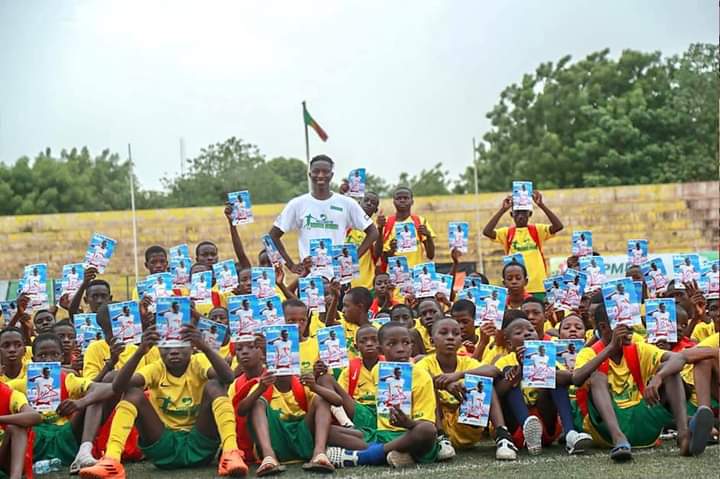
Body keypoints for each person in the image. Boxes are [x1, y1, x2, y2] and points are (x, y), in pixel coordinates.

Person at [80, 324, 248, 478]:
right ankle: (112, 460)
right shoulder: (157, 368)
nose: (173, 351)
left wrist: (205, 347)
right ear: (158, 349)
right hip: (163, 448)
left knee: (215, 385)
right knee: (133, 393)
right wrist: (139, 352)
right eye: (166, 346)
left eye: (181, 345)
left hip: (201, 444)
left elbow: (227, 377)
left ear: (192, 348)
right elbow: (118, 387)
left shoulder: (199, 361)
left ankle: (230, 452)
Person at [572, 305, 711, 460]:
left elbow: (679, 358)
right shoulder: (589, 352)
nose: (631, 328)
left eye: (630, 322)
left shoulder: (638, 348)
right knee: (597, 377)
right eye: (623, 324)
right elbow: (576, 379)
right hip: (606, 429)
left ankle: (684, 436)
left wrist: (659, 377)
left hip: (642, 421)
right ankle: (619, 438)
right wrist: (610, 349)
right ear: (604, 327)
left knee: (670, 371)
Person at [326, 322, 439, 468]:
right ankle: (396, 453)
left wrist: (408, 423)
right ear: (381, 349)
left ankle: (366, 456)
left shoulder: (422, 377)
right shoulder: (377, 371)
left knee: (427, 431)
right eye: (392, 344)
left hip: (409, 434)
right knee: (328, 431)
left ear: (412, 346)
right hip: (381, 434)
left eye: (406, 343)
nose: (400, 349)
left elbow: (427, 423)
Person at [414, 317, 517, 459]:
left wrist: (459, 375)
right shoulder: (425, 364)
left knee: (482, 382)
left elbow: (494, 371)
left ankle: (503, 437)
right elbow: (419, 379)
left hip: (465, 424)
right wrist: (447, 385)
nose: (450, 337)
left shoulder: (466, 362)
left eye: (455, 334)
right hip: (435, 424)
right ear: (432, 341)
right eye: (444, 333)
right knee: (428, 384)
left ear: (461, 340)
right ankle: (441, 438)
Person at [492, 313, 592, 456]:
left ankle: (570, 433)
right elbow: (498, 393)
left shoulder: (546, 359)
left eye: (531, 330)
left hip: (545, 424)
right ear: (509, 343)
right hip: (516, 428)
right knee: (510, 378)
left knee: (555, 378)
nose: (527, 334)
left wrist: (543, 370)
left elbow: (570, 379)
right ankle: (527, 426)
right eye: (519, 333)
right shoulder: (504, 361)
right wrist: (520, 370)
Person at [269, 155, 378, 275]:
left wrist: (353, 258)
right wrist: (291, 265)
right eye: (316, 171)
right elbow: (273, 236)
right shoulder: (297, 204)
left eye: (325, 172)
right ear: (310, 174)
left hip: (338, 279)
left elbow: (373, 233)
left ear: (331, 175)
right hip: (309, 277)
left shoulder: (347, 203)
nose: (320, 175)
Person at [482, 190, 563, 300]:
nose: (520, 216)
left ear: (530, 214)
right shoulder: (507, 233)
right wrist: (502, 209)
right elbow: (487, 232)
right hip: (516, 287)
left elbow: (558, 226)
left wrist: (541, 205)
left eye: (524, 212)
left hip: (538, 286)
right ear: (512, 215)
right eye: (517, 213)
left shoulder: (537, 230)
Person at [378, 187, 435, 270]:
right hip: (394, 277)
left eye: (406, 198)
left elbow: (431, 255)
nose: (402, 200)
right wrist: (391, 250)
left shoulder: (420, 221)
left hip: (416, 274)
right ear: (393, 202)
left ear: (412, 201)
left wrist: (428, 236)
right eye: (399, 198)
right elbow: (382, 258)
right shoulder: (385, 223)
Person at [0, 376, 42, 479]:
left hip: (3, 454)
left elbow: (35, 417)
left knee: (16, 427)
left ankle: (15, 477)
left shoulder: (9, 394)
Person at [346, 192, 380, 289]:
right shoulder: (346, 226)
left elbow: (377, 255)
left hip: (366, 285)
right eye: (366, 200)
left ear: (376, 210)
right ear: (359, 203)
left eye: (373, 202)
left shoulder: (375, 231)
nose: (369, 203)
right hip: (344, 283)